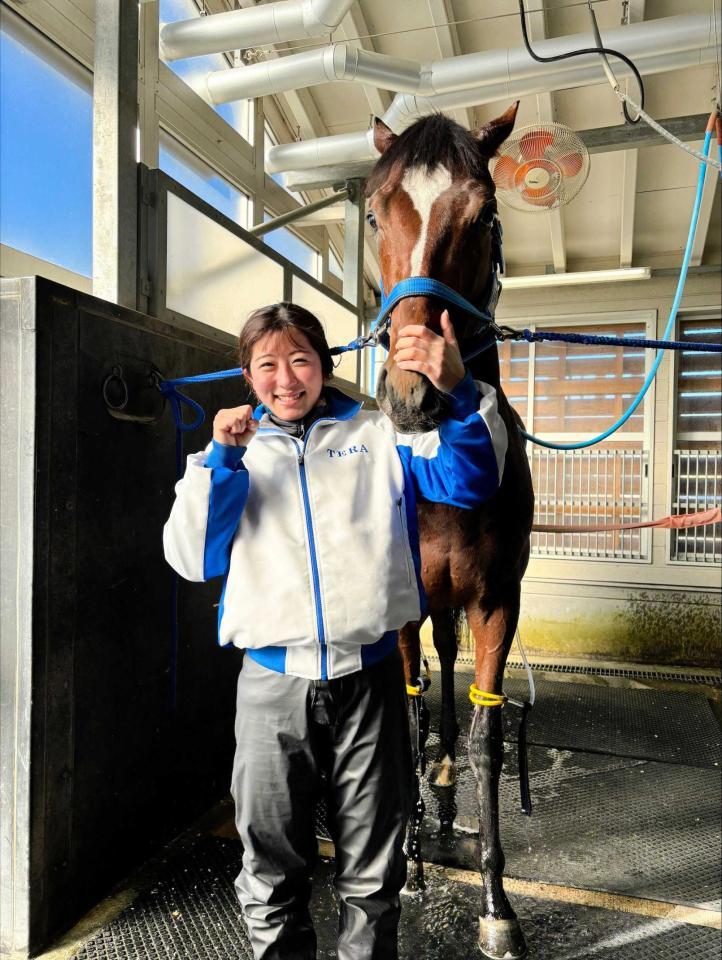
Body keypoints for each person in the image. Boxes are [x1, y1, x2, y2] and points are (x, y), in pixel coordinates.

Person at [163, 302, 508, 960]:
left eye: (301, 359)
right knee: (269, 869)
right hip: (271, 685)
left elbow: (470, 479)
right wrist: (220, 460)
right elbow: (192, 557)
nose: (286, 378)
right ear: (247, 374)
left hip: (369, 676)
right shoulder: (234, 451)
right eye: (267, 364)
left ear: (325, 365)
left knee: (375, 874)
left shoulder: (379, 435)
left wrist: (459, 390)